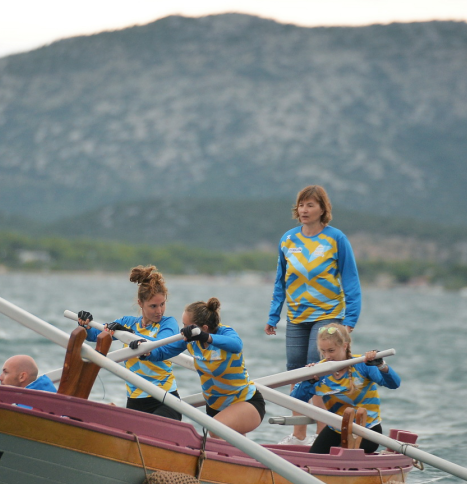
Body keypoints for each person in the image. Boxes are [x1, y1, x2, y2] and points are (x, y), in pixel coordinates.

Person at [265, 185, 362, 441]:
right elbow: (280, 282)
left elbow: (350, 279)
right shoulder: (288, 240)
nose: (304, 210)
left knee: (316, 372)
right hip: (296, 318)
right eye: (301, 205)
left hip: (328, 315)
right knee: (295, 374)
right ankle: (298, 436)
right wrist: (274, 315)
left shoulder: (336, 238)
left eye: (310, 205)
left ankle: (321, 437)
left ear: (322, 209)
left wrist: (351, 318)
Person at [144, 298, 264, 435]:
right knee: (224, 449)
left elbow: (236, 345)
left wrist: (204, 337)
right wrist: (137, 340)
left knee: (214, 432)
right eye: (183, 325)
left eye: (187, 326)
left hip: (246, 403)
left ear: (204, 328)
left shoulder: (224, 332)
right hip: (214, 408)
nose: (184, 330)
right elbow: (161, 350)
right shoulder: (190, 341)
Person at [76, 265, 181, 419]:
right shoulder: (127, 322)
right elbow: (94, 335)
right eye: (153, 306)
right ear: (140, 303)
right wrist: (84, 324)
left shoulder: (168, 323)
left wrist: (130, 334)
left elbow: (161, 345)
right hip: (135, 402)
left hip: (165, 401)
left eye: (162, 304)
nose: (159, 311)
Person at [288, 323, 400, 455]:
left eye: (331, 350)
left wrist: (381, 366)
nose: (327, 356)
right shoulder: (320, 370)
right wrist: (308, 381)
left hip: (368, 430)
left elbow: (394, 384)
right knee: (313, 458)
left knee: (343, 454)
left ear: (344, 346)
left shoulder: (362, 365)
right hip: (336, 429)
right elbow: (295, 400)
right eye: (323, 351)